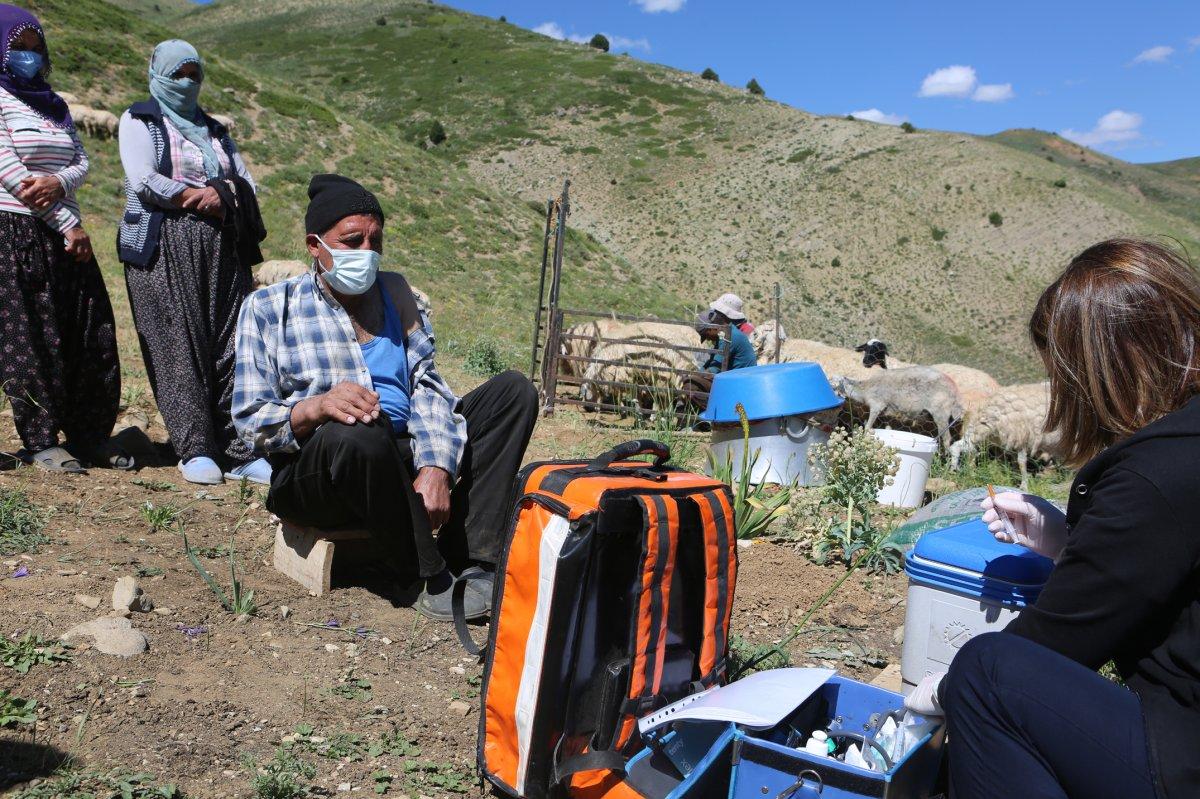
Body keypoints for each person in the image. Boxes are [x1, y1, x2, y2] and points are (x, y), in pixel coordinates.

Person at [905, 239, 1200, 799]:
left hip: (1183, 752)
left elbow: (1057, 642)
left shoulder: (1159, 473)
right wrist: (1070, 543)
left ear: (1101, 366)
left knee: (987, 672)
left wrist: (942, 689)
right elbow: (1163, 569)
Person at [232, 174, 539, 621]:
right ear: (315, 246)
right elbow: (249, 419)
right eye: (352, 241)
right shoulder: (268, 308)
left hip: (400, 454)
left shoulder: (396, 295)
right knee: (357, 429)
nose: (366, 254)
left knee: (513, 393)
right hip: (322, 469)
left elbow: (427, 386)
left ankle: (472, 559)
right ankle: (420, 576)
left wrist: (435, 463)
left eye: (375, 242)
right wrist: (316, 407)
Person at [118, 39, 269, 486]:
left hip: (223, 246)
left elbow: (248, 183)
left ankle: (238, 450)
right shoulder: (138, 118)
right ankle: (194, 447)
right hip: (164, 244)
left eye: (194, 74)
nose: (186, 82)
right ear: (158, 72)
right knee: (177, 343)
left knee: (232, 343)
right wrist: (196, 196)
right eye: (177, 73)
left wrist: (222, 196)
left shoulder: (216, 130)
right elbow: (142, 178)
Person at [0, 5, 123, 474]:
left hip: (63, 227)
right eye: (18, 48)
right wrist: (64, 220)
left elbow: (81, 160)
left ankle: (89, 434)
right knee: (31, 336)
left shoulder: (53, 104)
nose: (29, 57)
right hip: (16, 229)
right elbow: (13, 174)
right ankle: (40, 440)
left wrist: (62, 186)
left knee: (87, 330)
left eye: (36, 48)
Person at [697, 308, 757, 373]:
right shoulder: (723, 334)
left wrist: (698, 376)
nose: (708, 339)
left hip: (744, 378)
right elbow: (712, 361)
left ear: (712, 328)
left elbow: (714, 369)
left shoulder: (730, 337)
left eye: (707, 335)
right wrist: (699, 371)